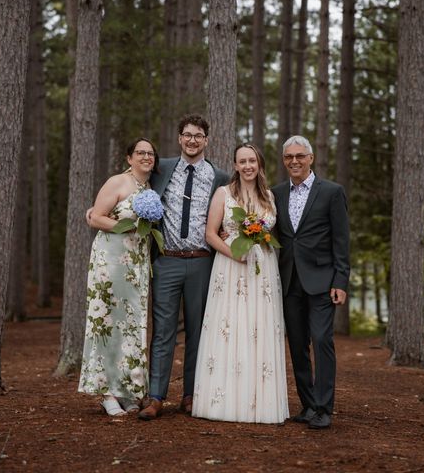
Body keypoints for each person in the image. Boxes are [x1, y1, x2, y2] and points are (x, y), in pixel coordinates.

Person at [138, 114, 230, 420]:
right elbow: (131, 180)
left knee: (198, 331)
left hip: (202, 262)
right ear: (180, 138)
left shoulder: (220, 177)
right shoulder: (160, 168)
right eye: (187, 135)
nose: (192, 140)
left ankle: (192, 395)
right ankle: (155, 397)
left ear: (206, 140)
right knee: (162, 332)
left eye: (198, 136)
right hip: (167, 262)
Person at [191, 143, 289, 424]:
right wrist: (236, 255)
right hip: (230, 267)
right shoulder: (224, 194)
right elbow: (210, 234)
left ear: (259, 165)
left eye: (252, 161)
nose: (247, 166)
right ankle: (225, 401)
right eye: (242, 161)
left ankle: (259, 402)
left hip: (263, 270)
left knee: (258, 327)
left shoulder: (269, 197)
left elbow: (271, 234)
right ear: (235, 165)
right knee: (231, 326)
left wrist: (258, 245)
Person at [272, 135, 350, 430]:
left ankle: (324, 407)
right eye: (289, 157)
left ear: (310, 158)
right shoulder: (276, 193)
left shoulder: (331, 192)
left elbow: (342, 241)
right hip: (289, 281)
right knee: (297, 345)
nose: (294, 161)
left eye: (300, 156)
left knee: (321, 340)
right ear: (284, 160)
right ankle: (307, 405)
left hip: (322, 281)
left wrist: (340, 280)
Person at [78, 138, 159, 416]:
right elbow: (96, 217)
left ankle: (127, 389)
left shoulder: (148, 188)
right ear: (129, 158)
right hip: (110, 261)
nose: (146, 157)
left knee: (131, 326)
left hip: (135, 265)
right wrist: (127, 227)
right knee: (108, 322)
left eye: (150, 153)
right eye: (140, 153)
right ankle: (106, 392)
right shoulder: (117, 182)